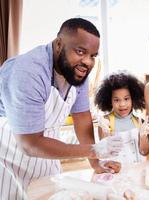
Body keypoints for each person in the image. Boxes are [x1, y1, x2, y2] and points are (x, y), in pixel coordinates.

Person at [0, 18, 122, 200]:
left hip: (47, 157)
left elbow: (81, 118)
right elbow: (30, 144)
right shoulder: (28, 72)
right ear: (58, 44)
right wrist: (94, 149)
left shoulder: (77, 71)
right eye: (80, 51)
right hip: (11, 157)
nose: (88, 62)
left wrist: (95, 163)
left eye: (93, 56)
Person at [95, 70, 149, 163]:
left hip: (137, 172)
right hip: (116, 173)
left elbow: (144, 152)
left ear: (133, 99)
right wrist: (106, 133)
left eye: (126, 99)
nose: (122, 104)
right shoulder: (106, 122)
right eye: (117, 100)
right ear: (110, 101)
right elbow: (104, 154)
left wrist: (143, 136)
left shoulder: (139, 121)